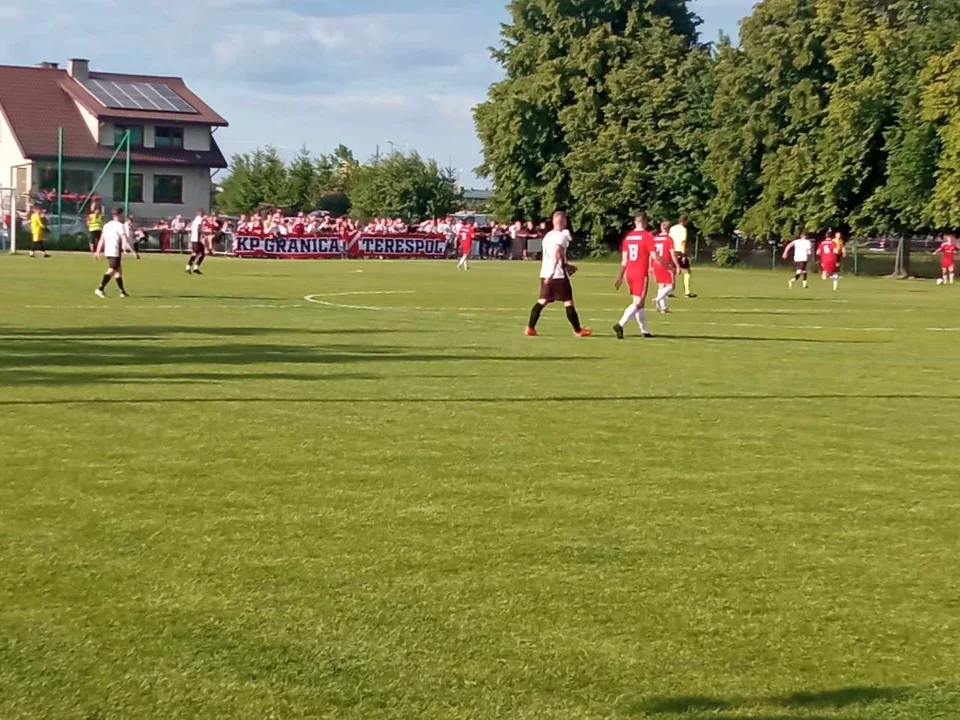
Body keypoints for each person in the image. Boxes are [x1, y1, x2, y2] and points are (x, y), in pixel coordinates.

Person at [524, 211, 593, 337]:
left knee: (542, 300)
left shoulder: (548, 236)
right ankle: (578, 330)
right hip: (557, 274)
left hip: (545, 272)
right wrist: (556, 270)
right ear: (563, 221)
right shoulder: (560, 236)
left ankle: (530, 327)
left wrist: (563, 266)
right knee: (568, 301)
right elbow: (557, 253)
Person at [613, 213, 660, 339]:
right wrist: (668, 265)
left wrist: (620, 277)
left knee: (639, 303)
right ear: (645, 222)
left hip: (629, 273)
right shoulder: (647, 236)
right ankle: (620, 324)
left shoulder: (628, 237)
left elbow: (624, 261)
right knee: (638, 302)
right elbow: (654, 256)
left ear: (635, 222)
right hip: (640, 273)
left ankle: (644, 331)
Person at [94, 208, 138, 298]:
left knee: (118, 271)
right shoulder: (120, 226)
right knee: (112, 270)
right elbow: (124, 239)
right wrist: (133, 252)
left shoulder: (107, 225)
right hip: (115, 250)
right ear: (120, 215)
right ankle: (100, 288)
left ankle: (122, 292)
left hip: (108, 250)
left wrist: (97, 251)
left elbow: (102, 239)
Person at [652, 221, 680, 312]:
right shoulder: (668, 239)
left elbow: (651, 253)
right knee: (671, 286)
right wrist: (677, 265)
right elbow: (672, 253)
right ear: (669, 229)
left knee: (661, 285)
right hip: (666, 264)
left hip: (656, 264)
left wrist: (650, 266)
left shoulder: (655, 238)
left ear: (661, 228)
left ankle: (663, 307)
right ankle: (658, 298)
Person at [669, 215, 696, 298]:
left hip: (672, 251)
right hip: (680, 251)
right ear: (685, 221)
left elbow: (669, 239)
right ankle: (687, 292)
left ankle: (669, 291)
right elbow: (683, 242)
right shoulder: (683, 229)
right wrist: (684, 254)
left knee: (672, 272)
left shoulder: (672, 228)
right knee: (687, 271)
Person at [186, 209, 206, 275]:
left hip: (195, 238)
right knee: (195, 253)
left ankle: (195, 268)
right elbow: (198, 228)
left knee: (202, 253)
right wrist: (202, 233)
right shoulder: (199, 219)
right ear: (201, 213)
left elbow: (192, 228)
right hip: (196, 239)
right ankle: (189, 268)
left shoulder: (195, 220)